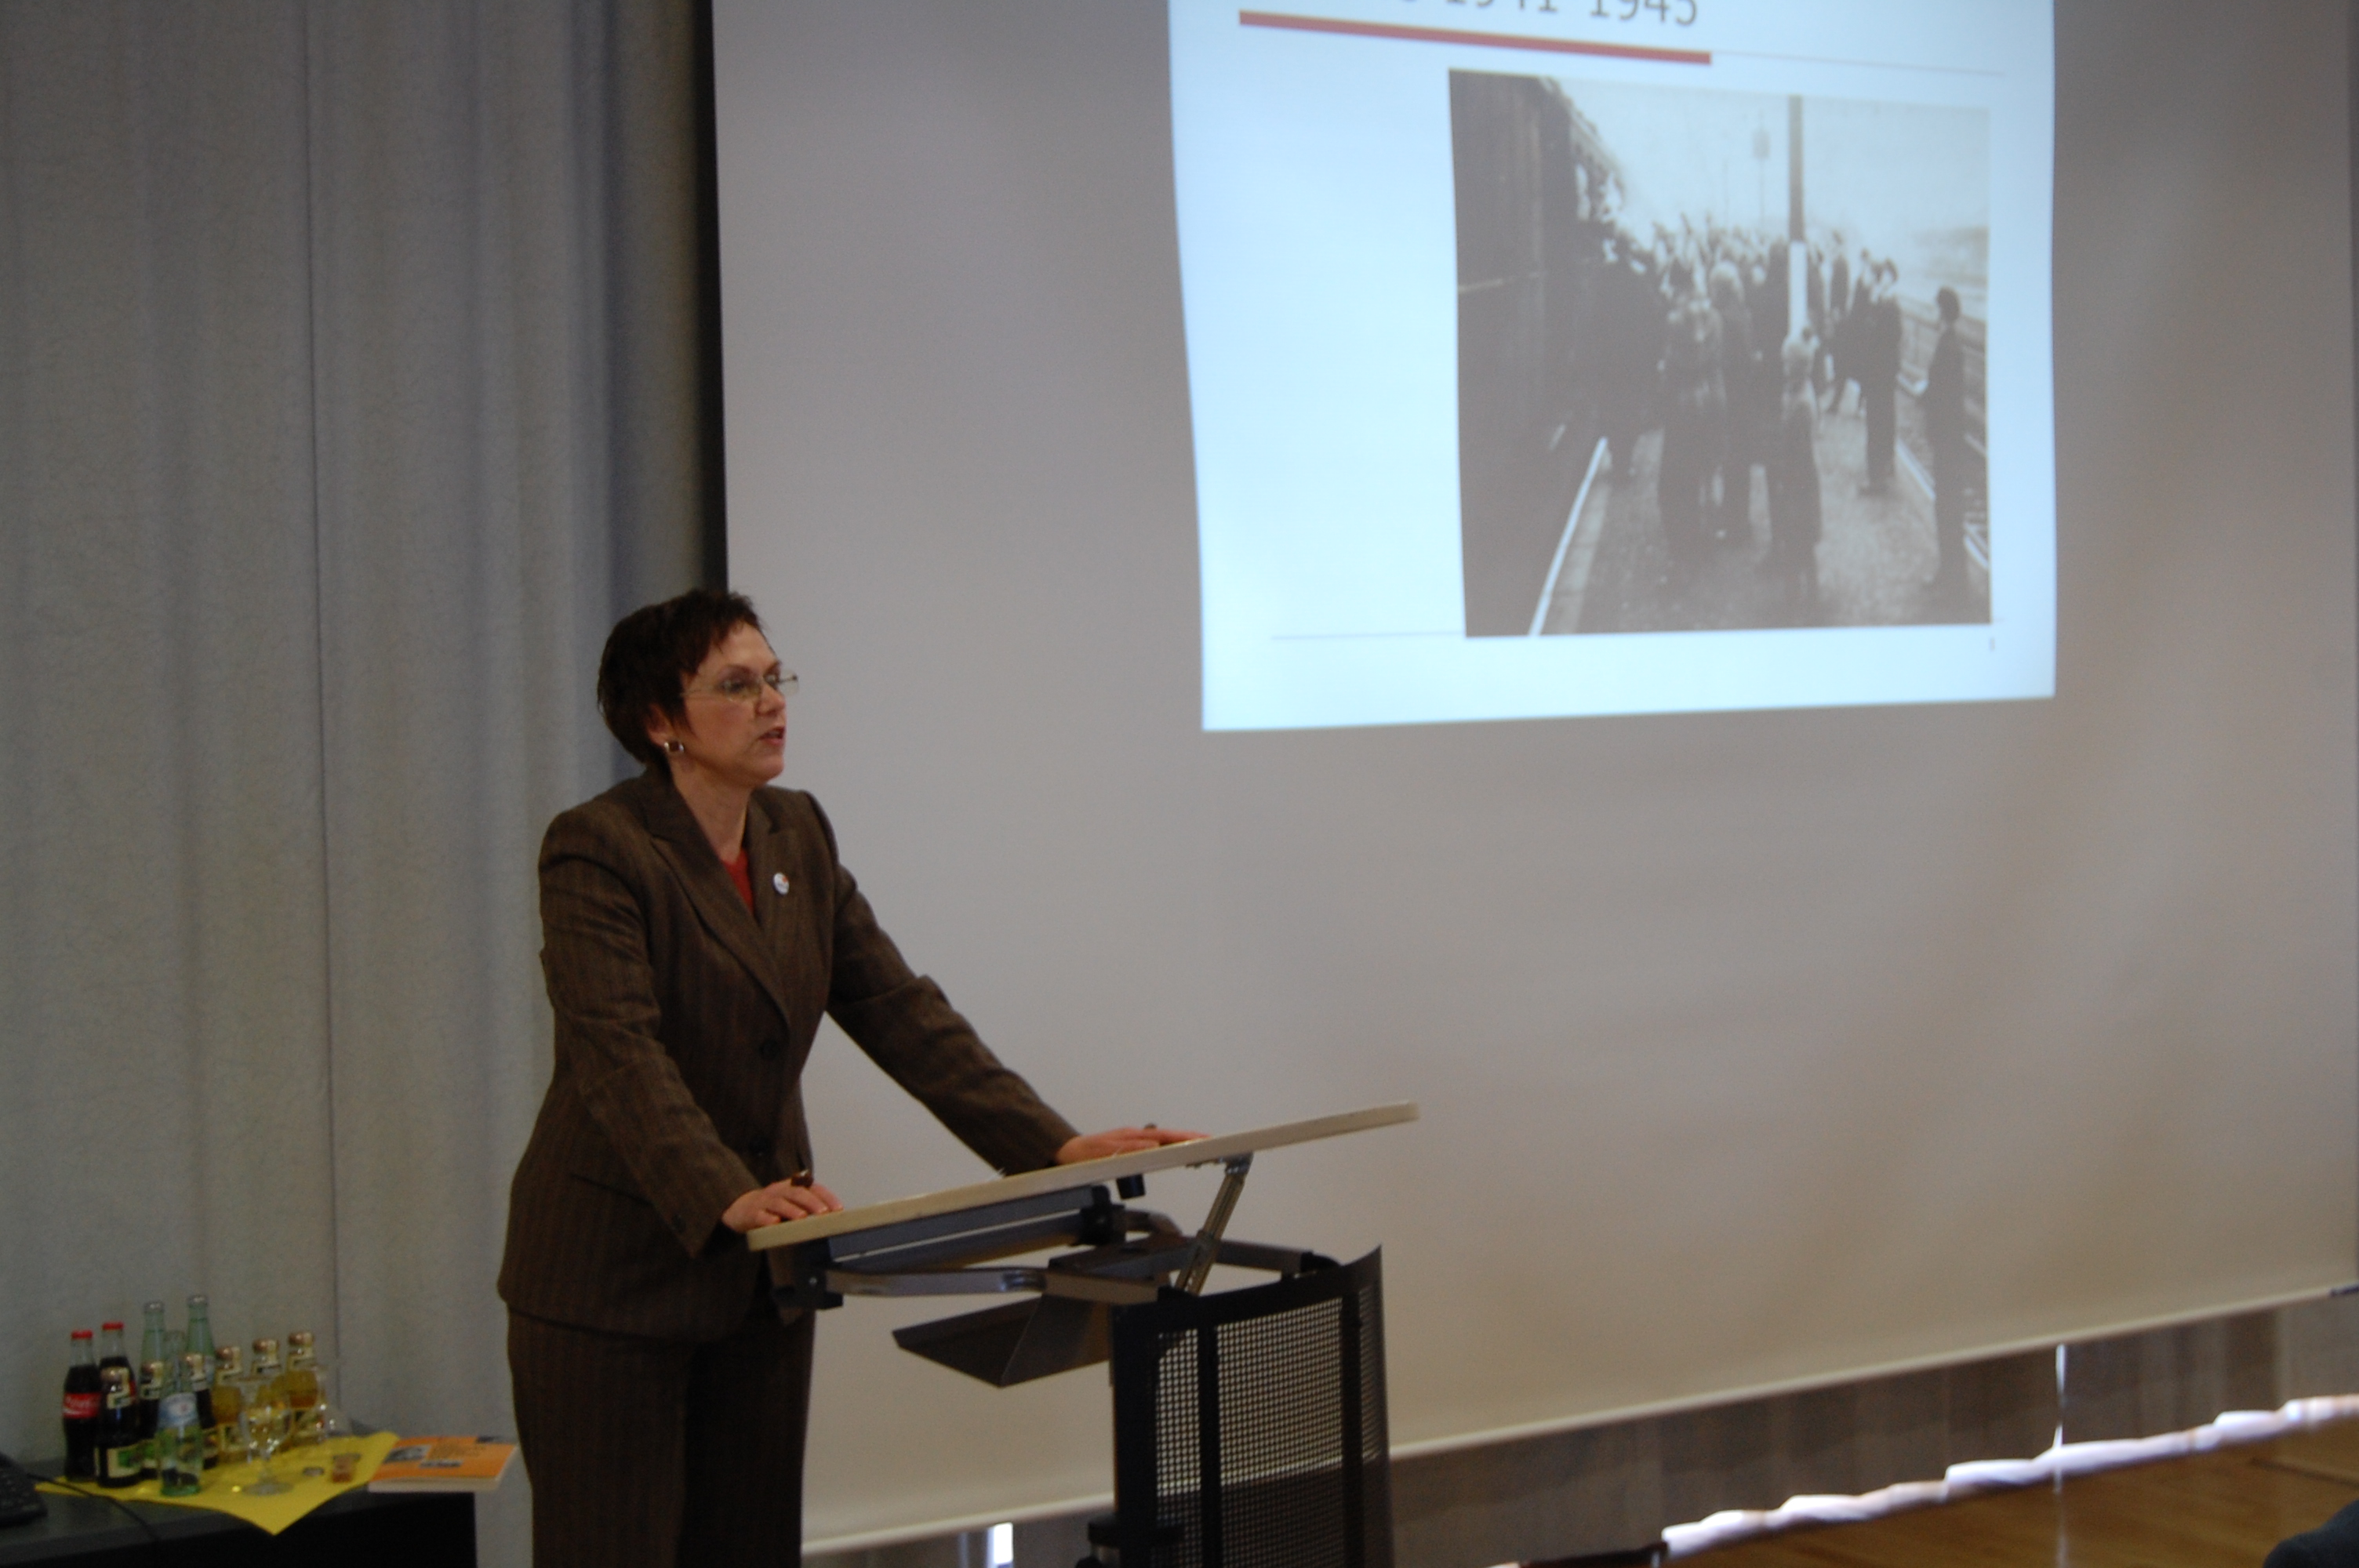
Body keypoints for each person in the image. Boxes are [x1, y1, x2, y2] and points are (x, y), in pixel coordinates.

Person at [497, 589, 1198, 1567]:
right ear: (660, 722)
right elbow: (618, 1050)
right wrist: (725, 1190)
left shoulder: (795, 831)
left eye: (773, 677)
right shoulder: (598, 848)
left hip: (763, 1274)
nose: (771, 702)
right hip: (614, 1278)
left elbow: (898, 1008)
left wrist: (1049, 1142)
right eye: (735, 685)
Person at [1766, 336, 1823, 619]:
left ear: (1795, 366)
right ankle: (1809, 593)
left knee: (1796, 538)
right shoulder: (1799, 390)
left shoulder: (1800, 403)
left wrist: (1783, 477)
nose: (1783, 366)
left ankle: (1795, 598)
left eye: (1786, 362)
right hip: (1801, 476)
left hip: (1799, 479)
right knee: (1803, 539)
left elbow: (1796, 449)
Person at [1924, 285, 1969, 599]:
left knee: (1949, 509)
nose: (1930, 312)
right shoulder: (1948, 344)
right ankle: (1947, 571)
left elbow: (1946, 397)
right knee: (1944, 508)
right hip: (1946, 438)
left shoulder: (1949, 348)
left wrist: (1927, 397)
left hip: (1948, 441)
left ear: (1942, 312)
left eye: (1933, 307)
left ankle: (1956, 582)